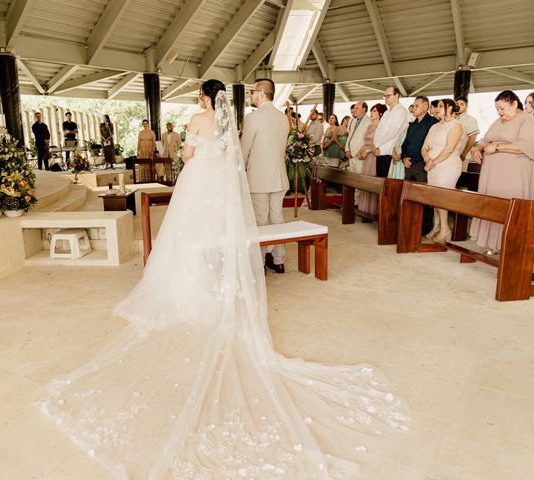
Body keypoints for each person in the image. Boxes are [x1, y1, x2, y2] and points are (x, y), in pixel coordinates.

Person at [37, 78, 409, 480]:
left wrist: (185, 152)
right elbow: (232, 156)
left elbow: (189, 153)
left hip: (198, 183)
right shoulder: (231, 121)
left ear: (202, 96)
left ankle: (190, 285)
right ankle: (228, 278)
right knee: (217, 235)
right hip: (221, 186)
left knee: (188, 237)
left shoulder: (198, 118)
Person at [470, 90, 534, 254]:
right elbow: (485, 139)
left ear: (514, 103)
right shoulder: (497, 121)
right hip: (492, 173)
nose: (500, 112)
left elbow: (527, 145)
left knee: (509, 205)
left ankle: (511, 245)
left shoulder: (528, 120)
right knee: (494, 204)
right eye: (498, 109)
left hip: (515, 172)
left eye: (503, 108)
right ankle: (493, 244)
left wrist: (498, 147)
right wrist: (477, 149)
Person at [241, 79, 290, 273]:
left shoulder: (253, 118)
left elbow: (244, 150)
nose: (251, 95)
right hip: (279, 175)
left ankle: (260, 262)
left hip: (259, 177)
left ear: (261, 93)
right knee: (277, 218)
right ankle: (278, 261)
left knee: (260, 220)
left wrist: (241, 170)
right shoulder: (283, 117)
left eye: (252, 92)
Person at [421, 98, 466, 244]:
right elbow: (424, 146)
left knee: (442, 197)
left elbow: (449, 149)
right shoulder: (434, 127)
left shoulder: (456, 126)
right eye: (437, 106)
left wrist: (433, 162)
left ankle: (445, 229)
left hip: (448, 166)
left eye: (441, 106)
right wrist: (427, 158)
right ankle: (436, 226)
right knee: (434, 198)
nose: (437, 109)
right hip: (433, 166)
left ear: (451, 109)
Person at [399, 96, 439, 234]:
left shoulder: (433, 123)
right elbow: (405, 144)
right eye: (413, 105)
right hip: (408, 164)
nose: (414, 108)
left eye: (416, 105)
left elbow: (427, 145)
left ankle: (425, 228)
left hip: (422, 164)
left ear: (426, 107)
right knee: (409, 197)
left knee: (424, 196)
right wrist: (404, 157)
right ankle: (410, 224)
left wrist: (414, 159)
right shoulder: (413, 124)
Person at [373, 86, 409, 177]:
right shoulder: (386, 113)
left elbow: (392, 133)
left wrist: (377, 146)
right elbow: (378, 130)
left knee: (387, 183)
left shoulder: (401, 111)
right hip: (379, 151)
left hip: (389, 152)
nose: (386, 98)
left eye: (388, 95)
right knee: (380, 182)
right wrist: (375, 145)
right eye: (385, 96)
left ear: (396, 95)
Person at [358, 103, 387, 215]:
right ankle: (365, 210)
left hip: (374, 156)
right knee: (365, 181)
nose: (371, 113)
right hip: (365, 156)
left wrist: (367, 150)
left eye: (374, 111)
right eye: (371, 111)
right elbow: (365, 142)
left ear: (380, 113)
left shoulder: (381, 126)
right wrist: (360, 152)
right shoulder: (369, 126)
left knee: (372, 181)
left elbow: (378, 144)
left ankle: (374, 211)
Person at [345, 101, 371, 205]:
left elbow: (365, 140)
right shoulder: (353, 120)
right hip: (350, 155)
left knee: (359, 181)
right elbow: (350, 137)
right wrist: (347, 149)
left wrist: (355, 152)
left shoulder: (368, 122)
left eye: (357, 108)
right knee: (351, 180)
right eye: (354, 108)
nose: (354, 110)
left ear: (364, 109)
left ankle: (358, 204)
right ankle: (353, 202)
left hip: (360, 156)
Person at [454, 96, 479, 163]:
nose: (458, 106)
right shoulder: (451, 119)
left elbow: (472, 139)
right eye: (457, 104)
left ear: (466, 107)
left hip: (462, 157)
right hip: (450, 157)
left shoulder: (470, 120)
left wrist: (463, 154)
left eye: (461, 104)